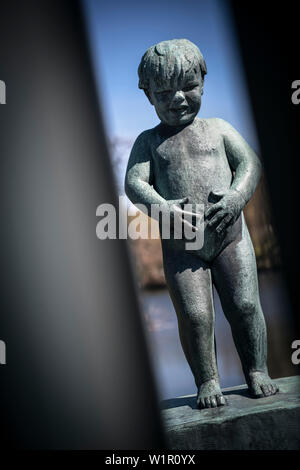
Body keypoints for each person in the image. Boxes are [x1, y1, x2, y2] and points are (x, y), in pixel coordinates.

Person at [125, 39, 279, 408]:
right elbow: (134, 184)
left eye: (188, 87)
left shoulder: (219, 129)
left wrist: (237, 197)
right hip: (182, 247)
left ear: (203, 82)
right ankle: (207, 379)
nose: (178, 98)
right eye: (164, 92)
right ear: (148, 96)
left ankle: (257, 370)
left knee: (244, 304)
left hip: (231, 236)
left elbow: (250, 164)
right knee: (195, 316)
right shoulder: (149, 142)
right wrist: (163, 208)